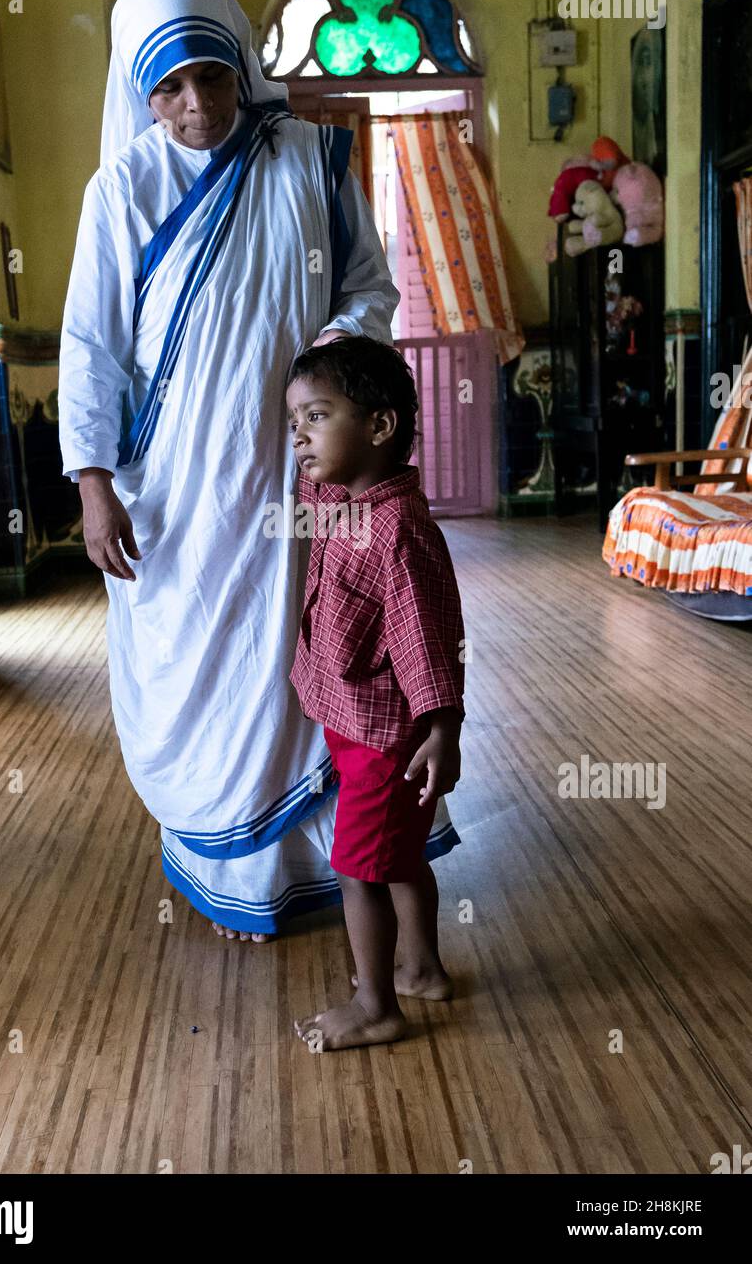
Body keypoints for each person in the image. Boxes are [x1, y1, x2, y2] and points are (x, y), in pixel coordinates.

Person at [57, 0, 462, 942]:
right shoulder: (120, 191)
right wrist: (94, 484)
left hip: (301, 464)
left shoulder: (309, 160)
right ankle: (234, 868)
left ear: (242, 63)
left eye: (212, 74)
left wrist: (329, 354)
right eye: (169, 86)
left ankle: (339, 859)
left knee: (315, 640)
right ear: (142, 92)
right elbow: (91, 345)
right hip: (183, 490)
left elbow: (370, 286)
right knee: (211, 654)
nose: (195, 104)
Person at [286, 337, 465, 1049]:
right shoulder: (342, 498)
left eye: (317, 417)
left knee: (358, 871)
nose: (298, 435)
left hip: (389, 740)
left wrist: (441, 726)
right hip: (356, 722)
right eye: (292, 420)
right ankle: (422, 968)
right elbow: (311, 482)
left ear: (380, 426)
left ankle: (376, 1006)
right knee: (399, 857)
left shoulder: (397, 530)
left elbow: (428, 638)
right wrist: (313, 436)